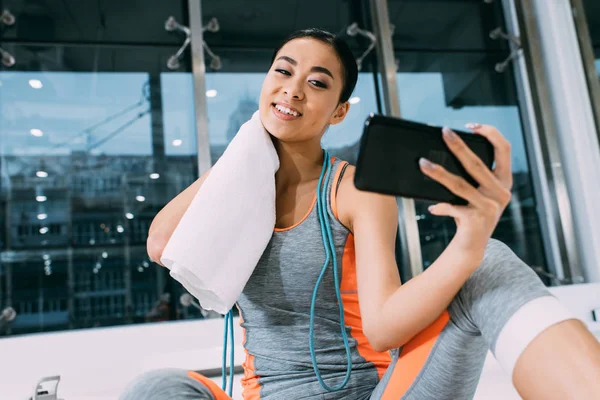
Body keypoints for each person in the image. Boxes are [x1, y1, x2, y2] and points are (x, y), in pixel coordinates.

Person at [122, 29, 600, 399]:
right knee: (157, 386)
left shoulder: (353, 190)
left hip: (368, 393)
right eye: (282, 73)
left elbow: (383, 326)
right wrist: (248, 147)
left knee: (487, 261)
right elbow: (164, 245)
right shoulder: (235, 186)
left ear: (338, 112)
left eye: (316, 83)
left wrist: (469, 243)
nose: (292, 90)